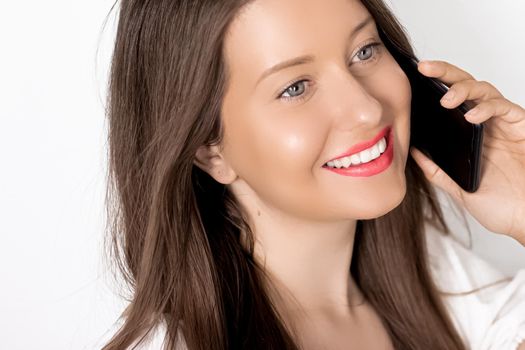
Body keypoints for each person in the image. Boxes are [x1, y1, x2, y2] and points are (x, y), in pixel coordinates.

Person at [98, 0, 525, 349]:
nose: (367, 108)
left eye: (364, 50)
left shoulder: (445, 282)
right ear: (209, 151)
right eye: (295, 88)